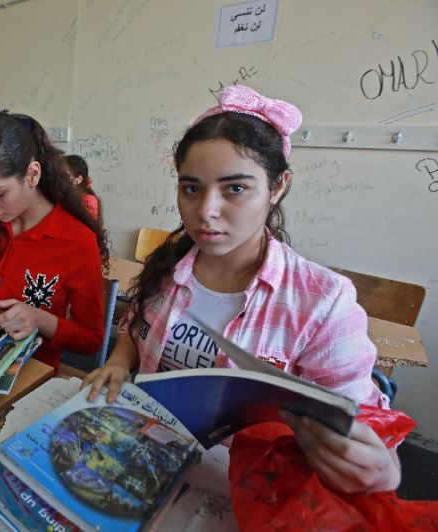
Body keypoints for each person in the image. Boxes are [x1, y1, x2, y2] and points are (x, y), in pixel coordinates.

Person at [81, 85, 401, 494]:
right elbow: (134, 323)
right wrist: (120, 361)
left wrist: (380, 468)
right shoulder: (170, 265)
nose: (205, 212)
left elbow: (362, 424)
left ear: (278, 186)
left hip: (238, 487)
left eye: (235, 188)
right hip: (143, 453)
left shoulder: (322, 302)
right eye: (191, 188)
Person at [0, 110, 110, 372]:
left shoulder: (75, 240)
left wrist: (41, 320)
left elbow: (91, 340)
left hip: (30, 373)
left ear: (32, 175)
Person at [62, 154, 101, 221]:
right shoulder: (63, 196)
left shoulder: (88, 201)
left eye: (64, 175)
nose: (59, 178)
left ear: (79, 179)